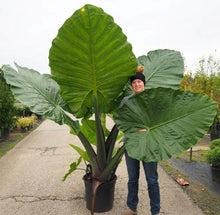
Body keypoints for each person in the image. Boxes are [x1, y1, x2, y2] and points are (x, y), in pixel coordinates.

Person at [121, 66, 160, 215]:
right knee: (132, 179)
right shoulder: (126, 100)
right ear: (132, 85)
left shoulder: (152, 99)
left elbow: (156, 122)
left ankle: (155, 211)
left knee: (152, 180)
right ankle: (132, 208)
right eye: (134, 82)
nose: (137, 84)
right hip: (131, 144)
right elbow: (121, 121)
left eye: (139, 82)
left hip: (149, 145)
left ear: (144, 83)